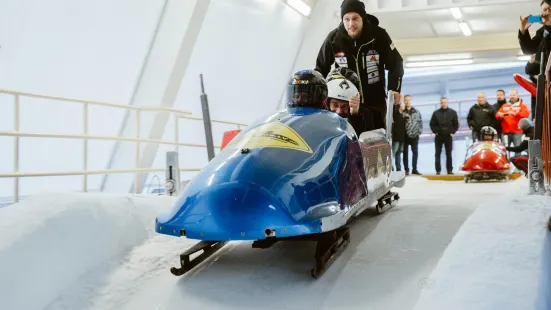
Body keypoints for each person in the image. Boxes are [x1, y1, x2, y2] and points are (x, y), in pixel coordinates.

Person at [315, 0, 404, 131]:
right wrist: (320, 98)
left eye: (355, 18)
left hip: (375, 103)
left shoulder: (378, 36)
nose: (351, 24)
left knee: (374, 145)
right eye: (347, 19)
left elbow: (396, 63)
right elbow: (320, 68)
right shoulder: (334, 39)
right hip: (345, 105)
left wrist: (394, 89)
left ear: (363, 18)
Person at [325, 68, 374, 134]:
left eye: (344, 106)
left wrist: (354, 116)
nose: (339, 111)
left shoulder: (366, 115)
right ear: (328, 102)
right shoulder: (320, 115)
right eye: (335, 105)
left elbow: (360, 140)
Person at [519, 1, 551, 75]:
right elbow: (528, 50)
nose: (546, 13)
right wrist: (523, 31)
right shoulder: (542, 31)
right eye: (544, 10)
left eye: (549, 9)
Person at [495, 89, 530, 156]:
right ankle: (505, 165)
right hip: (505, 132)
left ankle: (518, 166)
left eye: (513, 95)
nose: (512, 96)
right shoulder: (505, 106)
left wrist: (515, 113)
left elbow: (526, 115)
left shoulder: (522, 106)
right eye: (510, 95)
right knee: (504, 151)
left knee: (518, 150)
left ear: (517, 96)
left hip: (517, 132)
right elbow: (497, 115)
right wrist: (502, 115)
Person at [429, 97, 459, 175]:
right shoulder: (436, 113)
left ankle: (449, 170)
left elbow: (456, 124)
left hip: (448, 136)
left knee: (448, 153)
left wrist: (452, 132)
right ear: (440, 103)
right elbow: (432, 124)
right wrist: (435, 132)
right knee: (437, 153)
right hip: (439, 136)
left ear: (447, 102)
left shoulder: (453, 112)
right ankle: (438, 170)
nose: (444, 104)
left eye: (445, 102)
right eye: (442, 102)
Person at [402, 95, 422, 175]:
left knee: (415, 152)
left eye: (409, 100)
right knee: (405, 153)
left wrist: (419, 132)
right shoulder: (402, 112)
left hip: (414, 135)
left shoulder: (416, 111)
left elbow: (420, 122)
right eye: (406, 100)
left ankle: (414, 169)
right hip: (405, 136)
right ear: (404, 101)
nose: (407, 102)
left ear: (411, 101)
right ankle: (406, 170)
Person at [392, 96, 406, 171]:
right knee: (394, 152)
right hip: (396, 137)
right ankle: (391, 167)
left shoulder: (403, 115)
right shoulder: (395, 114)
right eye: (402, 104)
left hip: (402, 138)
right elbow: (395, 107)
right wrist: (399, 99)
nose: (403, 106)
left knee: (399, 153)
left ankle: (398, 168)